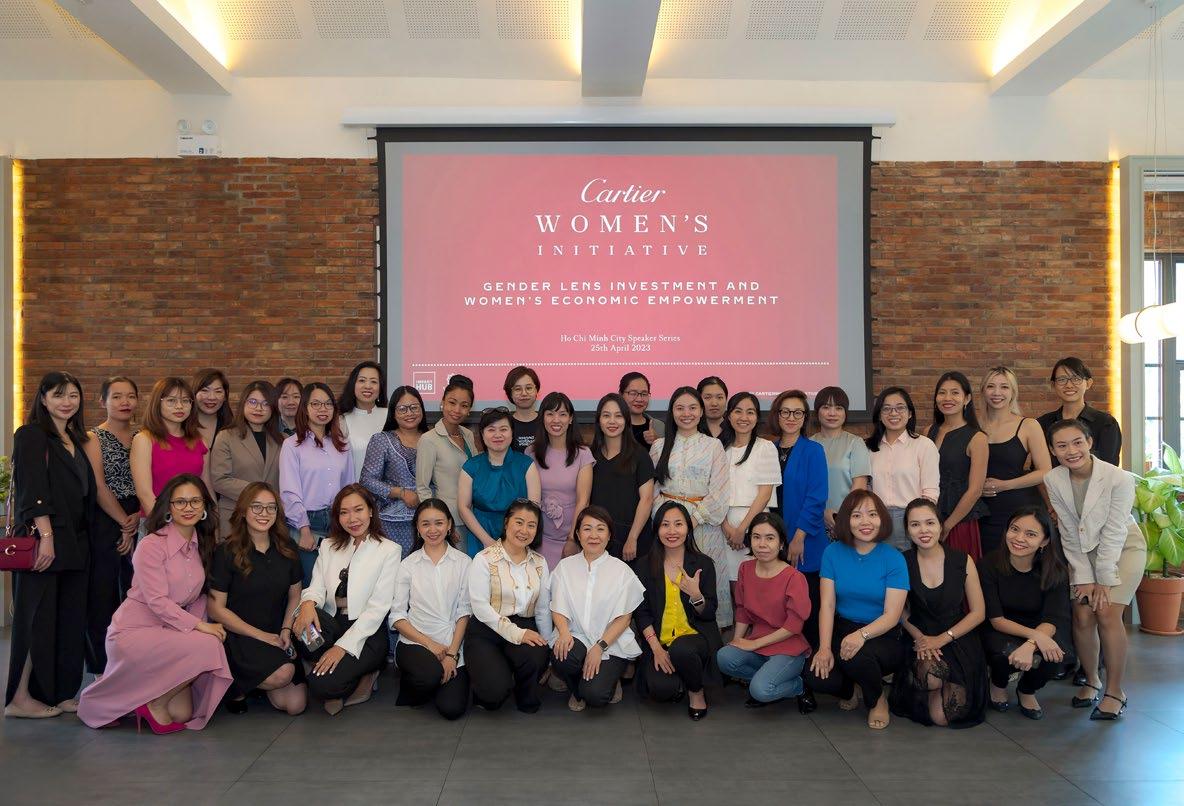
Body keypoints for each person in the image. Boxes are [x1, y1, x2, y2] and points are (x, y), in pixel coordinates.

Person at [77, 475, 232, 733]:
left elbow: (199, 599)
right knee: (210, 645)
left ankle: (136, 701)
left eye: (195, 501)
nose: (189, 507)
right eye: (180, 502)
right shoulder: (151, 545)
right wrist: (200, 628)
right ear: (168, 507)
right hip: (135, 631)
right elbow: (157, 602)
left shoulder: (201, 545)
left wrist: (197, 628)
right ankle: (153, 704)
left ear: (205, 507)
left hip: (170, 631)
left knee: (182, 713)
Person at [5, 372, 97, 719]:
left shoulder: (74, 438)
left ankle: (59, 693)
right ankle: (19, 698)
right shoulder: (31, 435)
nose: (67, 402)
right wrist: (46, 537)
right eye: (58, 395)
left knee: (68, 620)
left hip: (76, 542)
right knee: (36, 620)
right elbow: (33, 489)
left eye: (73, 395)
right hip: (46, 539)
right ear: (42, 398)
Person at [1045, 419, 1145, 720]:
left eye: (1077, 442)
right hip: (1082, 550)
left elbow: (1114, 531)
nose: (1071, 451)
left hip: (1123, 548)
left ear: (1089, 442)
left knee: (1106, 611)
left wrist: (1103, 578)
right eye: (1062, 445)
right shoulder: (1053, 479)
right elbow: (1067, 529)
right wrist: (1083, 576)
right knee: (1082, 614)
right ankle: (1092, 680)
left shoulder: (1119, 478)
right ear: (1053, 450)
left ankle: (1115, 692)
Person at [292, 484, 401, 715]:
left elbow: (378, 608)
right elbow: (316, 587)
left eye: (358, 510)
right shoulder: (329, 546)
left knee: (320, 686)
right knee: (301, 623)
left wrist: (341, 648)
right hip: (332, 623)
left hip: (366, 631)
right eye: (344, 512)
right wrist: (308, 605)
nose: (352, 519)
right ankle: (335, 666)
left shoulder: (389, 550)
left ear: (370, 511)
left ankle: (362, 673)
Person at [805, 490, 909, 730]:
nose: (865, 522)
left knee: (857, 656)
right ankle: (850, 689)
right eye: (856, 515)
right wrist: (824, 648)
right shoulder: (832, 553)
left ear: (882, 518)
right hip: (844, 626)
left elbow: (893, 615)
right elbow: (827, 605)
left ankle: (877, 699)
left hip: (883, 632)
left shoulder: (893, 558)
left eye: (872, 514)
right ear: (845, 520)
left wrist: (861, 635)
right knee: (815, 675)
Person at [207, 483, 306, 716]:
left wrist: (286, 629)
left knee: (295, 705)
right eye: (257, 507)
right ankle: (235, 685)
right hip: (239, 635)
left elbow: (295, 594)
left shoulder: (287, 548)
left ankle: (254, 684)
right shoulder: (225, 551)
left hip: (275, 633)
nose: (264, 513)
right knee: (283, 674)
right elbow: (215, 608)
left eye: (271, 507)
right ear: (243, 510)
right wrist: (260, 636)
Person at [889, 498, 988, 728]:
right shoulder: (902, 562)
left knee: (943, 718)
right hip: (920, 636)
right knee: (932, 679)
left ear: (941, 526)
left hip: (956, 635)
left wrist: (942, 639)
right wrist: (920, 638)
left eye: (930, 523)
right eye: (915, 525)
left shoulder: (963, 560)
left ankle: (942, 687)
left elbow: (978, 612)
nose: (923, 530)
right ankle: (931, 688)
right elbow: (899, 611)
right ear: (907, 530)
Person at [978, 507, 1071, 719]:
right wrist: (1036, 638)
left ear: (1044, 541)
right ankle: (998, 683)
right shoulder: (988, 564)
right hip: (1001, 628)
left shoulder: (1055, 571)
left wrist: (1032, 643)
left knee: (1056, 655)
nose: (1019, 538)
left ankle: (1027, 689)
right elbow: (996, 619)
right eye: (1014, 529)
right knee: (1002, 654)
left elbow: (1053, 618)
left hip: (1040, 627)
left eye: (1031, 534)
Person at [550, 506, 645, 711]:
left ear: (609, 535)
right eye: (587, 529)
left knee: (596, 696)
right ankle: (577, 689)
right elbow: (557, 607)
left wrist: (599, 647)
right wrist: (564, 633)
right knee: (562, 656)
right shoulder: (565, 567)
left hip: (610, 641)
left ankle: (610, 679)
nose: (593, 535)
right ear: (577, 534)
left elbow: (624, 619)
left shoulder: (622, 571)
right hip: (576, 636)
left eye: (600, 529)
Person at [716, 513, 813, 712]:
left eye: (770, 538)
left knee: (761, 691)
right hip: (757, 643)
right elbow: (742, 610)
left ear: (781, 543)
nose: (762, 544)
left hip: (788, 647)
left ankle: (799, 687)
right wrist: (738, 640)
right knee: (724, 657)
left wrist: (753, 644)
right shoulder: (745, 568)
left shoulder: (794, 577)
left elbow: (794, 626)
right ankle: (765, 678)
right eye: (756, 537)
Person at [651, 387, 731, 626]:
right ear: (672, 412)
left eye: (693, 408)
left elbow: (720, 492)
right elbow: (652, 491)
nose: (686, 413)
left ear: (701, 411)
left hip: (704, 527)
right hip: (668, 530)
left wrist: (691, 521)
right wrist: (668, 524)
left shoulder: (713, 446)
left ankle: (709, 636)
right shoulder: (659, 446)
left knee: (703, 581)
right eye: (680, 408)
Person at [633, 502, 721, 719]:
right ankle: (684, 676)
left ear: (688, 528)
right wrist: (656, 649)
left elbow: (709, 613)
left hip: (696, 638)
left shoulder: (703, 564)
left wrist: (696, 595)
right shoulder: (644, 565)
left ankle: (696, 692)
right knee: (661, 690)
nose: (672, 531)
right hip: (660, 641)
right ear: (656, 530)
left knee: (682, 650)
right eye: (665, 525)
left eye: (678, 524)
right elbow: (642, 613)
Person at [465, 499, 553, 713]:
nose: (524, 530)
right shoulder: (484, 559)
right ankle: (491, 677)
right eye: (519, 522)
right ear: (506, 523)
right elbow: (480, 607)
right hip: (487, 628)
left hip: (524, 624)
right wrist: (516, 634)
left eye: (531, 525)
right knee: (493, 695)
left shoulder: (540, 562)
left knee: (538, 654)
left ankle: (524, 693)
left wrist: (547, 649)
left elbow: (542, 610)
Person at [390, 499, 472, 720]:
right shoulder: (408, 565)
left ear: (449, 525)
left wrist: (451, 654)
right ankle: (421, 681)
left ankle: (436, 680)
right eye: (425, 524)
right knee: (428, 677)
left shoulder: (464, 563)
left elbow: (464, 612)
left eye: (439, 523)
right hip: (416, 642)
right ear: (417, 527)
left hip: (453, 643)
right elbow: (397, 616)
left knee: (452, 709)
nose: (432, 530)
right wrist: (430, 644)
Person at [81, 376, 141, 676]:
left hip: (140, 516)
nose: (124, 402)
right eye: (116, 396)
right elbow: (98, 485)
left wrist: (138, 517)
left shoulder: (143, 436)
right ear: (102, 400)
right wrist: (124, 524)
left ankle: (133, 664)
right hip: (105, 519)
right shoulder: (93, 437)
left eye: (130, 396)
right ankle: (101, 669)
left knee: (135, 593)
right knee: (102, 593)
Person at [765, 390, 827, 653]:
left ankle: (812, 661)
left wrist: (799, 537)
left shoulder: (813, 450)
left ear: (805, 417)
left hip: (805, 542)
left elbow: (817, 497)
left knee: (806, 607)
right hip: (773, 541)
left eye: (798, 412)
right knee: (777, 607)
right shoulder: (768, 449)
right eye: (785, 412)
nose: (791, 417)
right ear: (777, 415)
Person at [279, 382, 355, 586]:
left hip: (339, 521)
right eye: (316, 404)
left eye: (328, 404)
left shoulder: (342, 444)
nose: (323, 409)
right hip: (307, 523)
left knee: (336, 583)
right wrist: (304, 530)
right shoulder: (292, 445)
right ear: (304, 408)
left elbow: (350, 487)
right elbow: (289, 492)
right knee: (311, 585)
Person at [978, 367, 1051, 556]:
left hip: (1018, 510)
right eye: (991, 386)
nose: (997, 392)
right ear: (983, 390)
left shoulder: (1028, 425)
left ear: (1013, 392)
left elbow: (1045, 471)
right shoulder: (972, 426)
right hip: (980, 511)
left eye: (1004, 387)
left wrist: (1005, 485)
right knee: (986, 564)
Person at [459, 407, 540, 557]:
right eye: (491, 430)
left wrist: (514, 541)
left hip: (519, 536)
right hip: (480, 537)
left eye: (503, 429)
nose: (498, 435)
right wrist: (487, 541)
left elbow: (533, 509)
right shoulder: (471, 466)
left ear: (512, 433)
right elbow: (463, 507)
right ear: (482, 434)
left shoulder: (526, 465)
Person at [865, 387, 939, 550]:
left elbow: (931, 491)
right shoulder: (869, 448)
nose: (893, 413)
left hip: (910, 519)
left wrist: (920, 522)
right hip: (877, 520)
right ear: (879, 414)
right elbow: (867, 487)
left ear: (910, 413)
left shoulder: (924, 445)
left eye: (900, 407)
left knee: (909, 565)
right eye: (886, 408)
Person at [719, 393, 782, 583]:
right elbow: (714, 491)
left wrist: (742, 530)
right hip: (723, 524)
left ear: (757, 417)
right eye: (738, 411)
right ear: (729, 415)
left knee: (755, 582)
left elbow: (764, 494)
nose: (744, 417)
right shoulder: (720, 448)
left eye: (750, 412)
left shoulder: (765, 447)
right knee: (729, 582)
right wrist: (725, 526)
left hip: (756, 523)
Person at [926, 371, 989, 560]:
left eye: (955, 392)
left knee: (958, 570)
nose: (947, 398)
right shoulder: (928, 431)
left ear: (966, 398)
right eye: (942, 392)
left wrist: (947, 526)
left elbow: (975, 490)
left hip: (959, 520)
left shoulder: (977, 438)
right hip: (928, 518)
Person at [528, 392, 595, 568]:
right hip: (539, 538)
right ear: (542, 418)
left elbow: (583, 500)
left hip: (571, 539)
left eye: (562, 414)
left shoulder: (583, 454)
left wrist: (572, 539)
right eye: (550, 414)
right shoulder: (531, 453)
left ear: (571, 419)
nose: (556, 420)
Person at [360, 384, 428, 557]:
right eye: (402, 409)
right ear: (393, 412)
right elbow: (366, 480)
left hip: (429, 521)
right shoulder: (382, 440)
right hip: (392, 523)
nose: (409, 413)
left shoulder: (432, 439)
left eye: (414, 407)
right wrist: (401, 493)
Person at [210, 380, 282, 536]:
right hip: (235, 514)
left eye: (265, 404)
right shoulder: (226, 436)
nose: (258, 408)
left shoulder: (282, 440)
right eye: (253, 402)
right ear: (243, 403)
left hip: (270, 518)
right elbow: (220, 480)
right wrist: (260, 495)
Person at [130, 377, 210, 515]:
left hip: (195, 520)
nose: (179, 406)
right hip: (157, 519)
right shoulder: (144, 440)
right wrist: (168, 525)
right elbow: (144, 494)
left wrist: (212, 520)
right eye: (171, 400)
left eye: (185, 400)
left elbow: (206, 487)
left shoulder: (200, 440)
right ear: (157, 403)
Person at [590, 393, 656, 561]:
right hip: (597, 539)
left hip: (632, 540)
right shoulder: (590, 456)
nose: (612, 421)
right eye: (606, 415)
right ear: (599, 420)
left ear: (626, 420)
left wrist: (632, 538)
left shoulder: (640, 455)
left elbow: (647, 499)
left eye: (618, 416)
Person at [415, 374, 477, 549]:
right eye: (452, 402)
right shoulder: (429, 439)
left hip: (474, 518)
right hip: (451, 521)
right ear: (442, 402)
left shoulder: (468, 435)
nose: (457, 410)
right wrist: (440, 524)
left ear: (469, 409)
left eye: (464, 405)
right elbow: (423, 488)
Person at [1037, 357, 1121, 467]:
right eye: (1062, 380)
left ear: (1088, 383)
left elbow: (1109, 467)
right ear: (1053, 385)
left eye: (1076, 379)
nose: (1069, 385)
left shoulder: (1106, 423)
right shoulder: (1042, 423)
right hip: (1052, 479)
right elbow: (1038, 467)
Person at [813, 386, 871, 536]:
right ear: (817, 411)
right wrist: (822, 513)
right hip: (812, 519)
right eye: (826, 407)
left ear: (845, 412)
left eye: (838, 408)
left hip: (846, 520)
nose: (832, 413)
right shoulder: (808, 444)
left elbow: (859, 487)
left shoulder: (855, 443)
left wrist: (840, 518)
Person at [339, 361, 388, 483]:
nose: (368, 386)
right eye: (362, 380)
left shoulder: (390, 415)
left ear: (380, 387)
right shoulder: (342, 420)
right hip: (355, 489)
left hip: (390, 491)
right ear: (353, 385)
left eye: (374, 382)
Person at [620, 371, 664, 447]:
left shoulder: (659, 427)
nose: (639, 399)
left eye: (644, 394)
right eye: (633, 393)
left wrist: (658, 442)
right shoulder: (612, 425)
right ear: (621, 395)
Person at [192, 368, 232, 450]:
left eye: (218, 391)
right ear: (194, 393)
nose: (211, 397)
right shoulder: (181, 425)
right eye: (204, 390)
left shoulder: (232, 427)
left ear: (225, 396)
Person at [504, 366, 541, 452]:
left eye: (529, 388)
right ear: (510, 393)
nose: (524, 393)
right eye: (518, 389)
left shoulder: (546, 422)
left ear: (536, 391)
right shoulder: (505, 424)